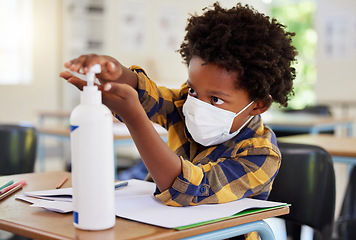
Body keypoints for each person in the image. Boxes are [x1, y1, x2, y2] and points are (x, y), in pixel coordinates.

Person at [60, 2, 296, 239]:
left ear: (258, 105)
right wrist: (118, 73)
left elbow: (186, 189)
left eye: (215, 99)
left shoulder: (261, 156)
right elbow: (148, 96)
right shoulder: (186, 106)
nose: (197, 104)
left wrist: (134, 119)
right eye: (194, 90)